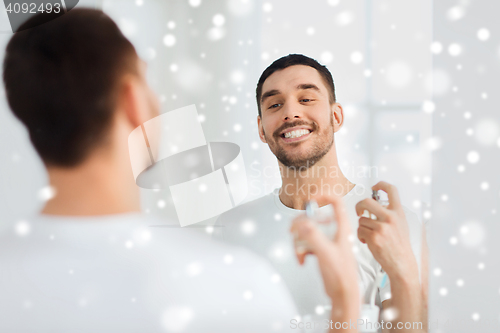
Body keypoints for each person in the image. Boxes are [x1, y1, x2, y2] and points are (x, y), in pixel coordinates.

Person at [0, 9, 362, 332]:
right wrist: (345, 307)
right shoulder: (234, 282)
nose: (291, 112)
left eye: (307, 97)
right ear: (134, 101)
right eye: (146, 80)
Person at [214, 54, 426, 331]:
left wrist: (404, 274)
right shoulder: (231, 228)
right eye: (275, 104)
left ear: (336, 116)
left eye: (306, 99)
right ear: (261, 129)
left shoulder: (391, 225)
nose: (291, 113)